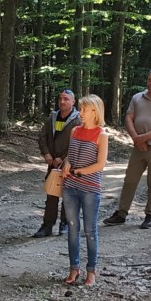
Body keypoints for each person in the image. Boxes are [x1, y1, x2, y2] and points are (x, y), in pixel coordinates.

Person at [103, 68, 151, 230]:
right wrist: (136, 139)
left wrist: (144, 137)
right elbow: (129, 118)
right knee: (129, 180)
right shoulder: (137, 98)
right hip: (138, 148)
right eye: (149, 79)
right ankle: (121, 213)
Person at [61, 95, 108, 287]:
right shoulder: (74, 131)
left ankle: (91, 271)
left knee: (90, 230)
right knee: (72, 228)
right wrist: (67, 165)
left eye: (84, 109)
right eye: (80, 108)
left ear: (95, 112)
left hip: (89, 188)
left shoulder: (101, 135)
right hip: (69, 187)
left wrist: (81, 171)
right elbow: (70, 156)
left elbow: (100, 164)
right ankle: (74, 268)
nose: (80, 112)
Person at [34, 89, 81, 238]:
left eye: (66, 99)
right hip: (52, 164)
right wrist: (46, 153)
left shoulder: (78, 120)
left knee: (69, 194)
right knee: (51, 194)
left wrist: (64, 157)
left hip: (70, 164)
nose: (62, 102)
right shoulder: (52, 118)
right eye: (60, 98)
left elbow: (78, 142)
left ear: (73, 102)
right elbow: (42, 137)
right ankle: (47, 225)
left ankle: (65, 223)